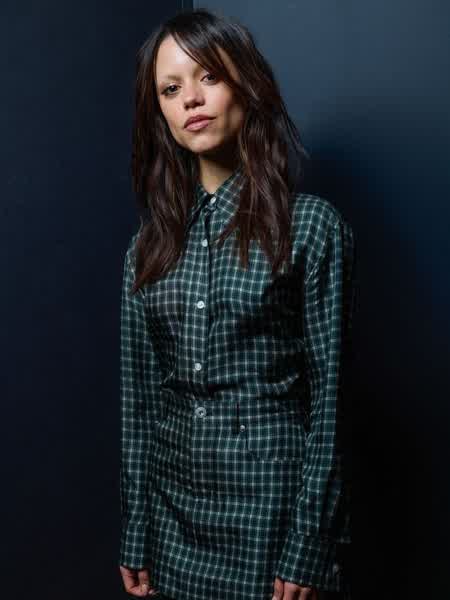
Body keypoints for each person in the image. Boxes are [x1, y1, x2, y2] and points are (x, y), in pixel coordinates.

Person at [118, 7, 356, 600]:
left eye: (210, 77)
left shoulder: (311, 227)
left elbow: (332, 404)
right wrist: (135, 530)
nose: (191, 100)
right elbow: (139, 403)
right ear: (160, 113)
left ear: (246, 86)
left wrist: (309, 545)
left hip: (272, 511)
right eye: (171, 89)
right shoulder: (147, 249)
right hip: (173, 517)